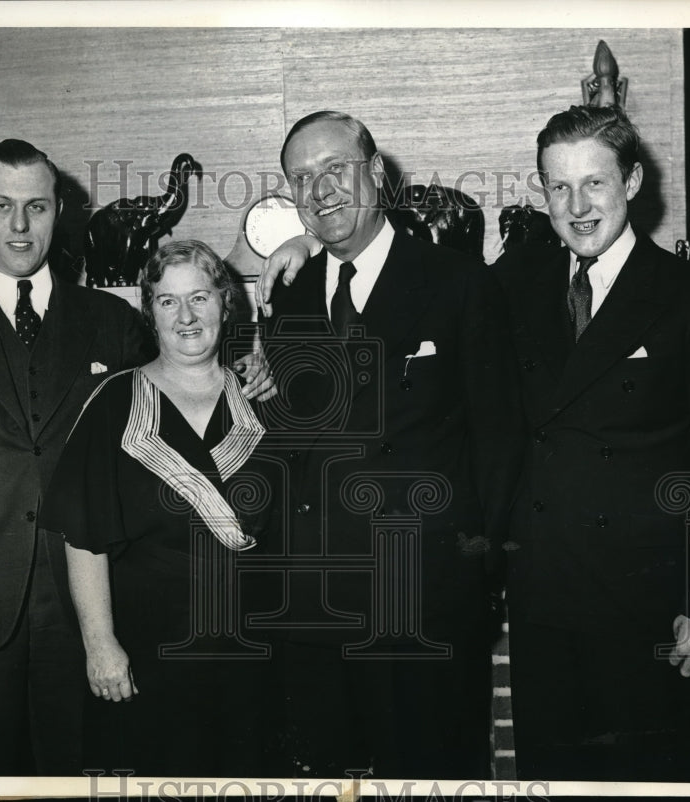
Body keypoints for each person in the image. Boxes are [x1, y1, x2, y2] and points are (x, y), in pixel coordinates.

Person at [0, 140, 272, 776]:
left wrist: (253, 367)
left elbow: (183, 364)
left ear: (59, 210)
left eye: (36, 206)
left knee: (76, 778)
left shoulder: (110, 319)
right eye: (1, 205)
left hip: (87, 611)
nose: (20, 224)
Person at [255, 111, 523, 779]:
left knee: (432, 777)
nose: (320, 191)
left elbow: (499, 443)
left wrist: (479, 575)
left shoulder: (459, 282)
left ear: (377, 172)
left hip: (426, 601)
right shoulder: (286, 296)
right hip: (316, 607)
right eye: (301, 179)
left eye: (335, 170)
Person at [491, 104, 690, 781]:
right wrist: (309, 248)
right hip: (545, 597)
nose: (577, 207)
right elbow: (427, 292)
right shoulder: (515, 284)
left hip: (652, 604)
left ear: (631, 182)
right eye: (559, 186)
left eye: (594, 183)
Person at [38, 241, 276, 776]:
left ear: (226, 303)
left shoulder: (261, 400)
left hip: (254, 649)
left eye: (200, 297)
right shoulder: (114, 403)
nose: (186, 316)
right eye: (168, 301)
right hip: (149, 651)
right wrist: (100, 644)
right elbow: (83, 539)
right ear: (150, 313)